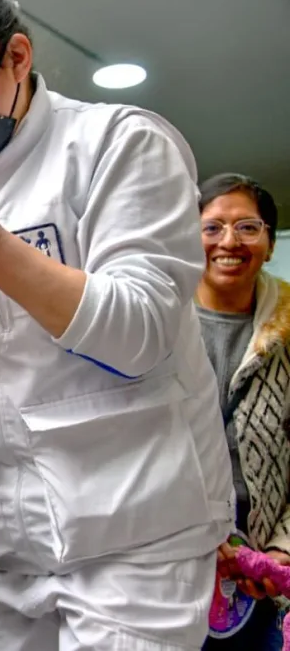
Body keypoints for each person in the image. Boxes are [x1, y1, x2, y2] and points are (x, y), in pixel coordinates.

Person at [0, 0, 234, 648]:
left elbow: (139, 334)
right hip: (5, 548)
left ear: (16, 57)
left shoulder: (118, 145)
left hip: (133, 540)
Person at [194, 174, 287, 650]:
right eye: (212, 228)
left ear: (270, 243)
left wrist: (282, 547)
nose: (229, 242)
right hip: (174, 573)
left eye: (248, 227)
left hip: (269, 580)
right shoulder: (155, 324)